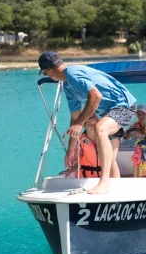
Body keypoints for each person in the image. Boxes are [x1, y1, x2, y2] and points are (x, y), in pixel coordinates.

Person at [38, 51, 136, 193]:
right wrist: (70, 150)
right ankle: (115, 188)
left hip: (123, 105)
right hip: (108, 113)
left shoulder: (73, 73)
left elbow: (96, 96)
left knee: (100, 129)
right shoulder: (68, 87)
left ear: (48, 71)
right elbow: (74, 118)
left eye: (46, 74)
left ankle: (104, 183)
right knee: (108, 151)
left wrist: (79, 125)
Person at [66, 114, 101, 178]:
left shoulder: (103, 140)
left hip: (102, 178)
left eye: (95, 124)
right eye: (90, 124)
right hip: (85, 178)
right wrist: (71, 169)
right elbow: (75, 162)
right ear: (84, 125)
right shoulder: (79, 141)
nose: (93, 127)